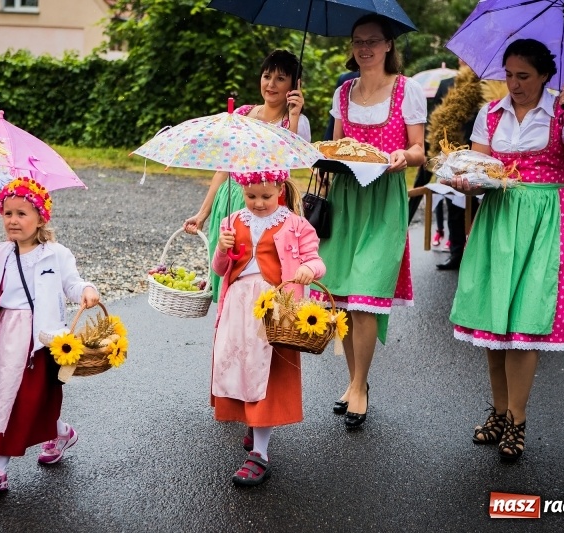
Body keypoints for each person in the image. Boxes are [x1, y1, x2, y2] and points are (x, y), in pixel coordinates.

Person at [447, 39, 564, 463]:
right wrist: (466, 182)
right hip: (498, 219)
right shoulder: (490, 114)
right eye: (509, 75)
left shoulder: (562, 113)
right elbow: (479, 172)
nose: (513, 84)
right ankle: (499, 412)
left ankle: (517, 418)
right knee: (495, 320)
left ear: (545, 76)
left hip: (544, 222)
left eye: (524, 76)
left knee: (526, 321)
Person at [313, 13, 426, 429]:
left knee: (365, 294)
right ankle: (354, 380)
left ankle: (360, 385)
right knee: (343, 295)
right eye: (358, 41)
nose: (365, 48)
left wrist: (403, 156)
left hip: (383, 199)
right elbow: (336, 146)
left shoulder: (408, 90)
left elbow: (419, 149)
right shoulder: (343, 92)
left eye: (373, 41)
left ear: (388, 45)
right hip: (345, 197)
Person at [0, 177, 100, 491]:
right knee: (22, 395)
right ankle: (61, 433)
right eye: (8, 213)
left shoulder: (56, 254)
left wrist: (87, 289)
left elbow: (72, 283)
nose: (13, 220)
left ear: (41, 218)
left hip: (44, 339)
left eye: (22, 213)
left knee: (21, 396)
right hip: (9, 334)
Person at [210, 171, 325, 487]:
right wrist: (222, 248)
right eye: (251, 196)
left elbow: (317, 262)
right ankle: (252, 422)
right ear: (242, 191)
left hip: (274, 310)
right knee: (239, 368)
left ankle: (259, 454)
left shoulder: (296, 225)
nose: (258, 203)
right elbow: (220, 269)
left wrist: (307, 268)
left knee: (264, 375)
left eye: (266, 196)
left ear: (279, 189)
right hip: (237, 306)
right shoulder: (232, 222)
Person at [184, 49, 310, 302]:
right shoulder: (241, 114)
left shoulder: (296, 122)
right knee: (226, 269)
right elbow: (224, 167)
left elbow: (291, 162)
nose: (271, 84)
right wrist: (203, 213)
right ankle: (228, 321)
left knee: (262, 272)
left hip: (267, 202)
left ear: (294, 85)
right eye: (266, 76)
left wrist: (294, 116)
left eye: (280, 79)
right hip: (230, 199)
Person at [425, 60, 486, 270]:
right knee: (453, 205)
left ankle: (480, 255)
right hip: (455, 152)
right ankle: (456, 252)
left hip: (483, 152)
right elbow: (437, 120)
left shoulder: (493, 84)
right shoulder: (447, 84)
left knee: (483, 209)